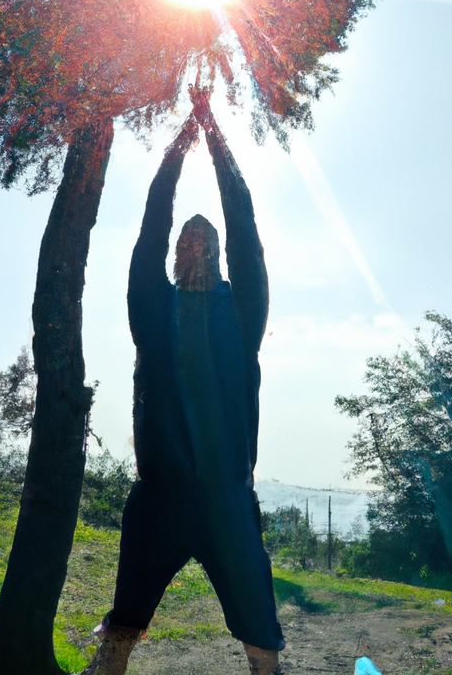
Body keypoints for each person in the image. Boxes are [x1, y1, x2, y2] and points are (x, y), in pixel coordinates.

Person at [84, 98, 283, 675]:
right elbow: (151, 224)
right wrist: (176, 150)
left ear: (221, 258)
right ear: (173, 256)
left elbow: (245, 227)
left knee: (260, 628)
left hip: (227, 495)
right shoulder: (152, 310)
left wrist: (216, 139)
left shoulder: (243, 312)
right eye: (184, 243)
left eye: (204, 243)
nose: (191, 246)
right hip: (161, 494)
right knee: (123, 621)